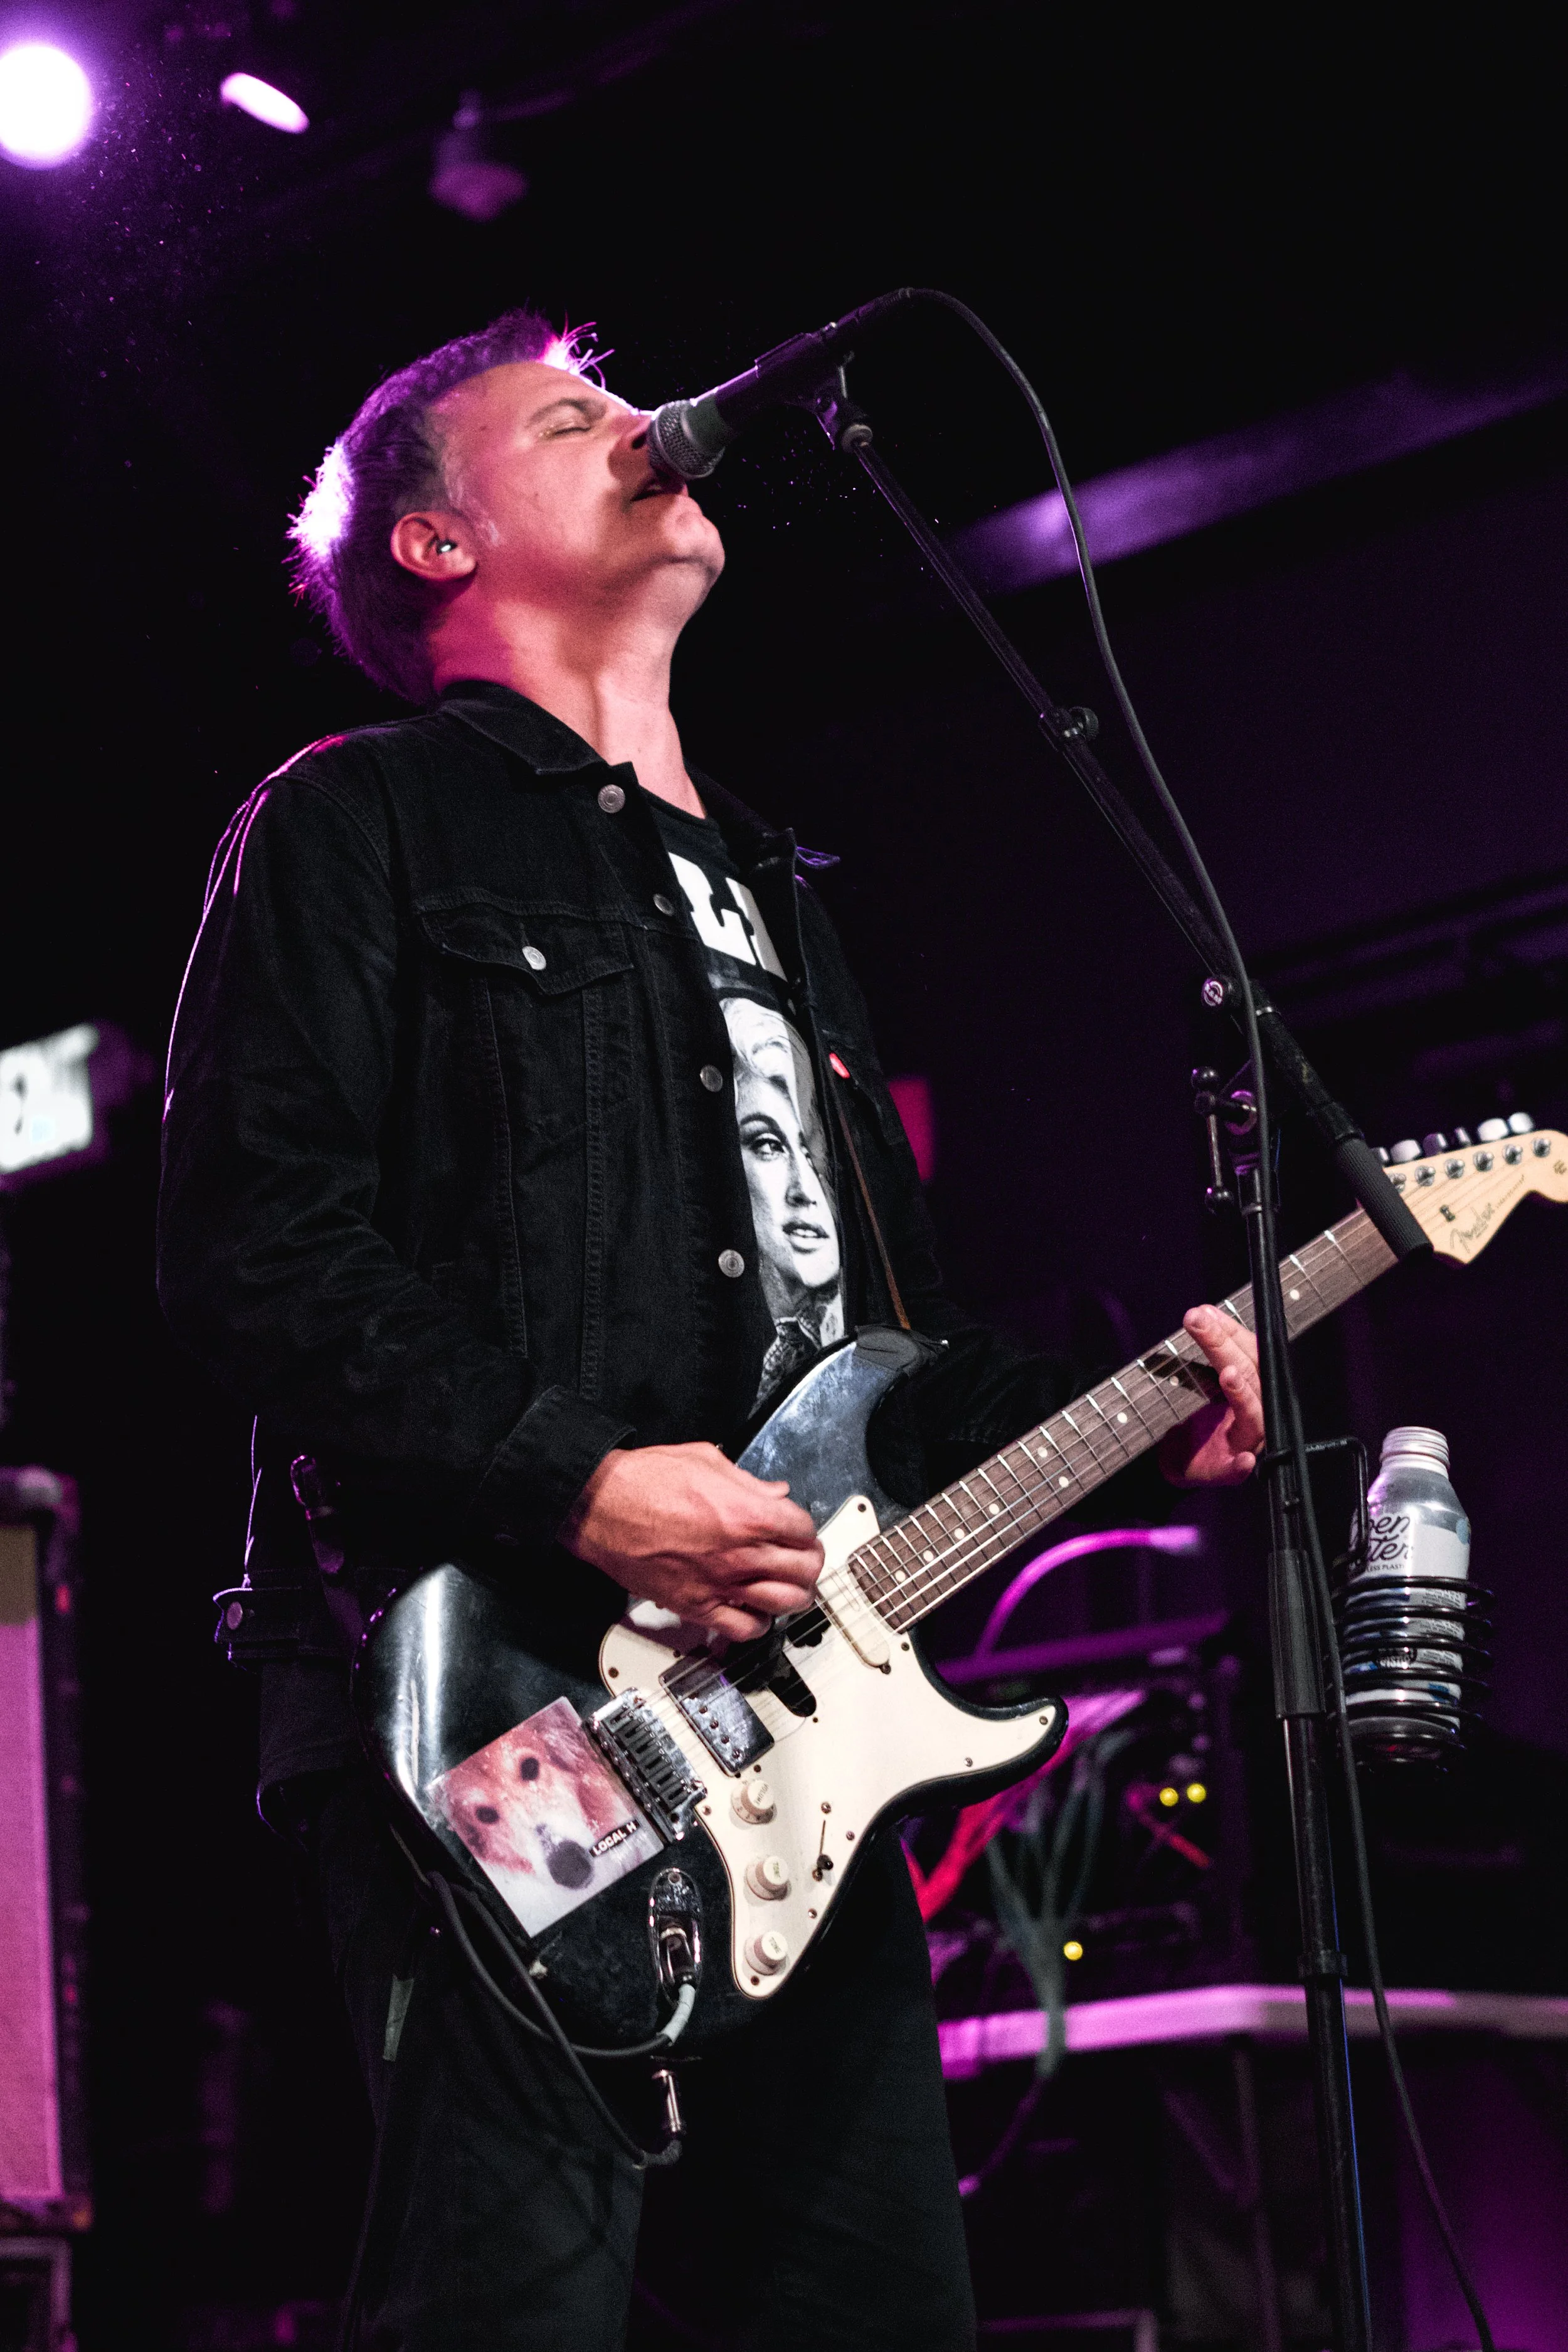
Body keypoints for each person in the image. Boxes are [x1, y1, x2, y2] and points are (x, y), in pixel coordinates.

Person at [157, 309, 1263, 2352]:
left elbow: (886, 1378)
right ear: (432, 541)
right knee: (512, 2300)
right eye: (571, 418)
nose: (646, 431)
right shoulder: (357, 826)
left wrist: (1149, 1387)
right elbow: (250, 1247)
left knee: (870, 2309)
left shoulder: (776, 893)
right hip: (481, 1703)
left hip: (789, 1740)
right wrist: (572, 1479)